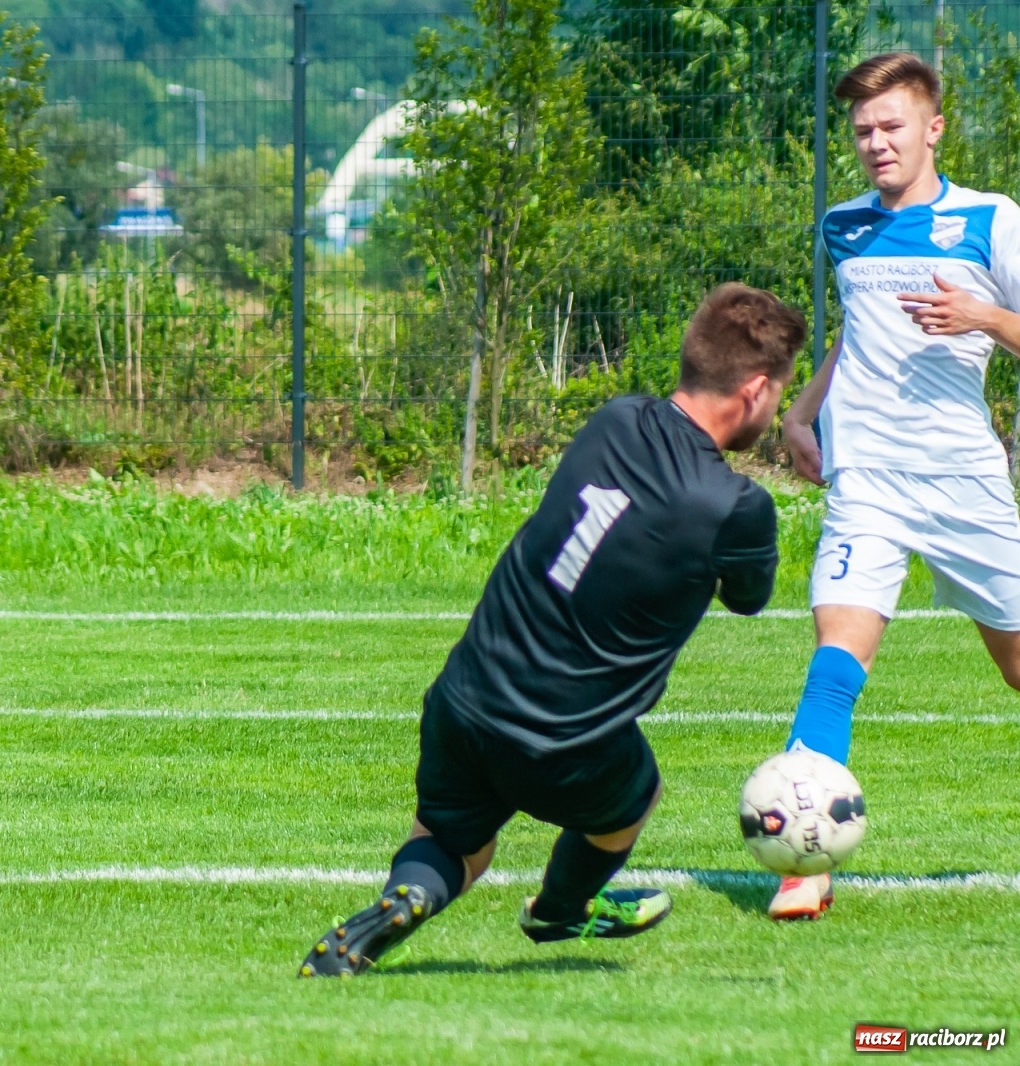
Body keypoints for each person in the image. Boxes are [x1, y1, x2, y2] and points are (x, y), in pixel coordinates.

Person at [299, 283, 805, 976]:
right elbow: (749, 598)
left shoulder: (614, 419)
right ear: (753, 390)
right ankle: (560, 910)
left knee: (454, 843)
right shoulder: (736, 507)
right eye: (779, 393)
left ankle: (406, 896)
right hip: (565, 745)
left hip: (466, 697)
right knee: (638, 792)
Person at [773, 53, 1020, 920]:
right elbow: (855, 334)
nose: (876, 144)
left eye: (891, 127)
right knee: (838, 657)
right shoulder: (845, 225)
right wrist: (804, 412)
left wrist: (985, 317)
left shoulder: (992, 221)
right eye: (863, 131)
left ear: (933, 128)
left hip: (964, 481)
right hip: (867, 479)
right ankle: (804, 859)